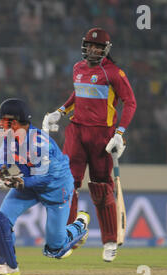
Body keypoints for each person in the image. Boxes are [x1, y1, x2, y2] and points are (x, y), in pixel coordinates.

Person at [43, 27, 137, 262]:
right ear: (84, 46)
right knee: (67, 184)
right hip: (76, 130)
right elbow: (79, 94)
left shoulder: (114, 73)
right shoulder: (77, 68)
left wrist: (120, 133)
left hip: (102, 135)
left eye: (98, 46)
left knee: (101, 188)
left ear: (106, 49)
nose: (93, 50)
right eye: (90, 45)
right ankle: (68, 236)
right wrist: (61, 111)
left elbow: (131, 103)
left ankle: (109, 241)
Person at [0, 98, 90, 275]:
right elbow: (2, 163)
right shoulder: (10, 139)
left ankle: (79, 226)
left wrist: (11, 182)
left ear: (14, 122)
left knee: (55, 248)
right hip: (29, 184)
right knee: (0, 221)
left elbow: (44, 179)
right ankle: (9, 266)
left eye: (3, 120)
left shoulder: (39, 143)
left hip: (56, 187)